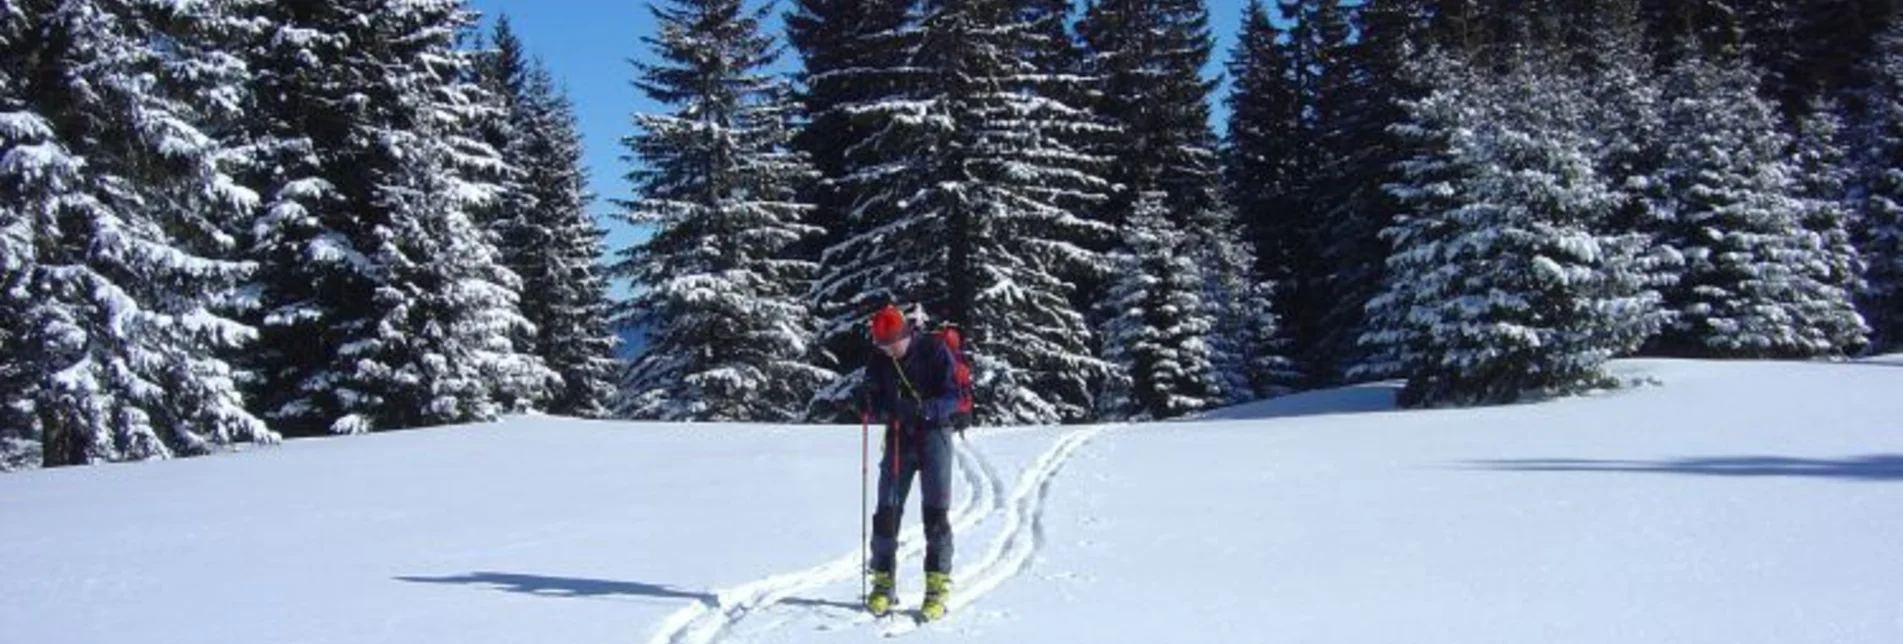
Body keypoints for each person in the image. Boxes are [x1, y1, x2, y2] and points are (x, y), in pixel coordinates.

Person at [864, 303, 963, 620]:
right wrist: (870, 404)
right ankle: (882, 582)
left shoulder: (933, 349)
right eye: (881, 345)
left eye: (891, 343)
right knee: (886, 510)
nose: (888, 350)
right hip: (898, 437)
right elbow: (874, 396)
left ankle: (936, 586)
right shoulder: (879, 359)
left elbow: (954, 396)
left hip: (934, 436)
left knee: (935, 513)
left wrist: (925, 410)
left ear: (905, 334)